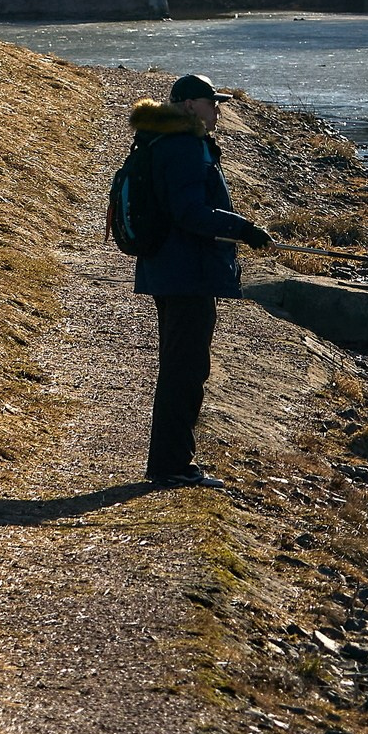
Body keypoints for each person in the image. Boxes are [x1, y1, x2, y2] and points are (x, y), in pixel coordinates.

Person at [129, 73, 271, 489]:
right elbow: (189, 212)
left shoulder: (160, 139)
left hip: (170, 271)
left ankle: (170, 462)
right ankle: (172, 466)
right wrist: (244, 227)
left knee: (181, 367)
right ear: (191, 106)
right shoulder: (185, 146)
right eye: (213, 103)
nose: (218, 110)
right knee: (186, 370)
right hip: (186, 274)